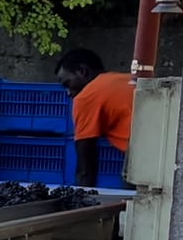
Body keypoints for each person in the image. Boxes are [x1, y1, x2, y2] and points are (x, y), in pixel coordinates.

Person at [55, 47, 136, 187]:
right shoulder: (126, 79)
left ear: (82, 71)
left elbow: (85, 168)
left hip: (143, 159)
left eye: (67, 84)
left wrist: (81, 202)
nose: (68, 93)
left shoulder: (85, 97)